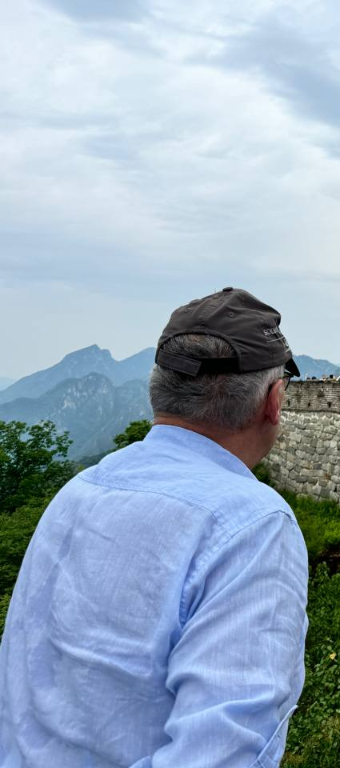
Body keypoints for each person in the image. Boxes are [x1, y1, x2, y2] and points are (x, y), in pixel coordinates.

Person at [0, 288, 309, 766]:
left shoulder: (78, 492)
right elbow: (224, 752)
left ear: (158, 389)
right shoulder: (252, 526)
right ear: (273, 401)